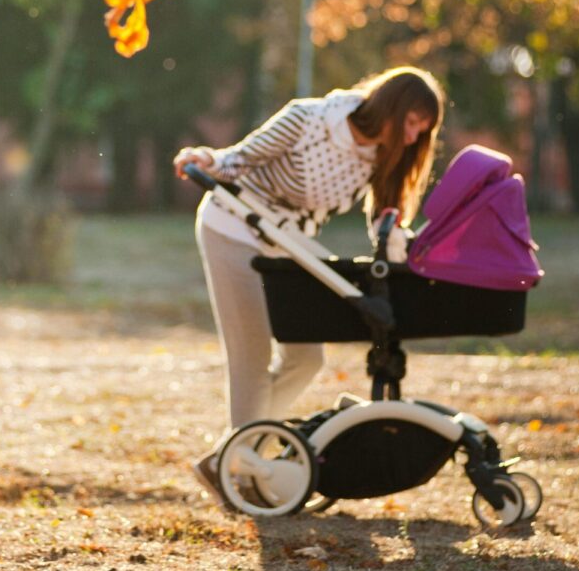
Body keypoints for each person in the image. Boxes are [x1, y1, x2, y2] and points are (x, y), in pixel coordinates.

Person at [173, 66, 445, 500]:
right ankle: (238, 479)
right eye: (412, 123)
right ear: (391, 107)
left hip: (289, 243)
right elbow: (239, 158)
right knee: (252, 358)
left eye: (422, 131)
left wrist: (405, 253)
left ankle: (229, 457)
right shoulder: (310, 119)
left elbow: (386, 221)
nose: (413, 138)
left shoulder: (382, 155)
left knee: (305, 356)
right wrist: (205, 159)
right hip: (234, 228)